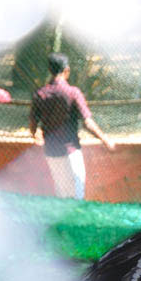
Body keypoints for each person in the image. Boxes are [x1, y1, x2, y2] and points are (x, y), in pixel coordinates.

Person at [29, 52, 115, 200]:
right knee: (77, 196)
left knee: (61, 195)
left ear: (50, 70)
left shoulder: (40, 94)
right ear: (67, 70)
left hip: (51, 152)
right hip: (70, 152)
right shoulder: (73, 93)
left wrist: (34, 134)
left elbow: (32, 123)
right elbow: (87, 122)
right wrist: (105, 140)